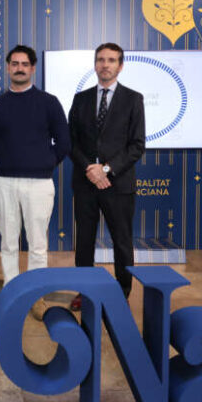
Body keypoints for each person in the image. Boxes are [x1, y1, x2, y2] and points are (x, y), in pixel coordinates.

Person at [0, 44, 70, 320]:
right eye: (14, 64)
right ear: (8, 68)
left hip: (39, 184)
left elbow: (64, 142)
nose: (19, 68)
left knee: (37, 244)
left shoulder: (49, 102)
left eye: (24, 64)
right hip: (4, 182)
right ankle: (11, 290)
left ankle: (36, 295)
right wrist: (6, 161)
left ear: (33, 68)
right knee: (8, 242)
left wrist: (44, 163)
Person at [68, 42, 145, 310]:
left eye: (111, 60)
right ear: (95, 64)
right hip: (85, 182)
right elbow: (71, 141)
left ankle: (122, 292)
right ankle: (84, 290)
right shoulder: (81, 99)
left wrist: (106, 169)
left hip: (118, 184)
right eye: (101, 59)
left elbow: (137, 145)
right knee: (84, 241)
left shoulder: (133, 99)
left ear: (120, 66)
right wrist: (91, 169)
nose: (105, 65)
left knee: (122, 241)